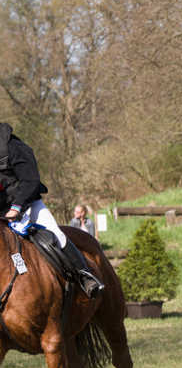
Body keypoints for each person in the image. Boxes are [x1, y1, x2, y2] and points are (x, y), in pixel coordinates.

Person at [0, 123, 105, 299]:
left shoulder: (13, 146)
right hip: (2, 211)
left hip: (26, 204)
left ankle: (85, 276)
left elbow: (30, 180)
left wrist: (16, 207)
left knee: (56, 235)